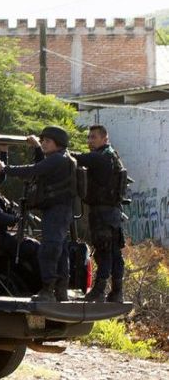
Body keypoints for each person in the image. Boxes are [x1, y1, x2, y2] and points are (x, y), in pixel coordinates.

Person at [0, 126, 76, 302]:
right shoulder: (60, 159)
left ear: (58, 143)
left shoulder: (58, 159)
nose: (44, 143)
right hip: (58, 211)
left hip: (57, 211)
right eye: (43, 141)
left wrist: (5, 168)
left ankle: (48, 290)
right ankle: (60, 291)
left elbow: (33, 170)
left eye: (47, 141)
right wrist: (37, 148)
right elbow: (41, 168)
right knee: (60, 251)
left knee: (49, 250)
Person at [72, 125, 126, 303]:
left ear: (105, 138)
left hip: (103, 214)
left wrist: (58, 151)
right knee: (114, 253)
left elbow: (76, 158)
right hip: (114, 213)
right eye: (89, 137)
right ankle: (117, 292)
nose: (90, 141)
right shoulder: (112, 156)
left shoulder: (100, 157)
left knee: (104, 253)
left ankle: (99, 291)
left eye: (93, 137)